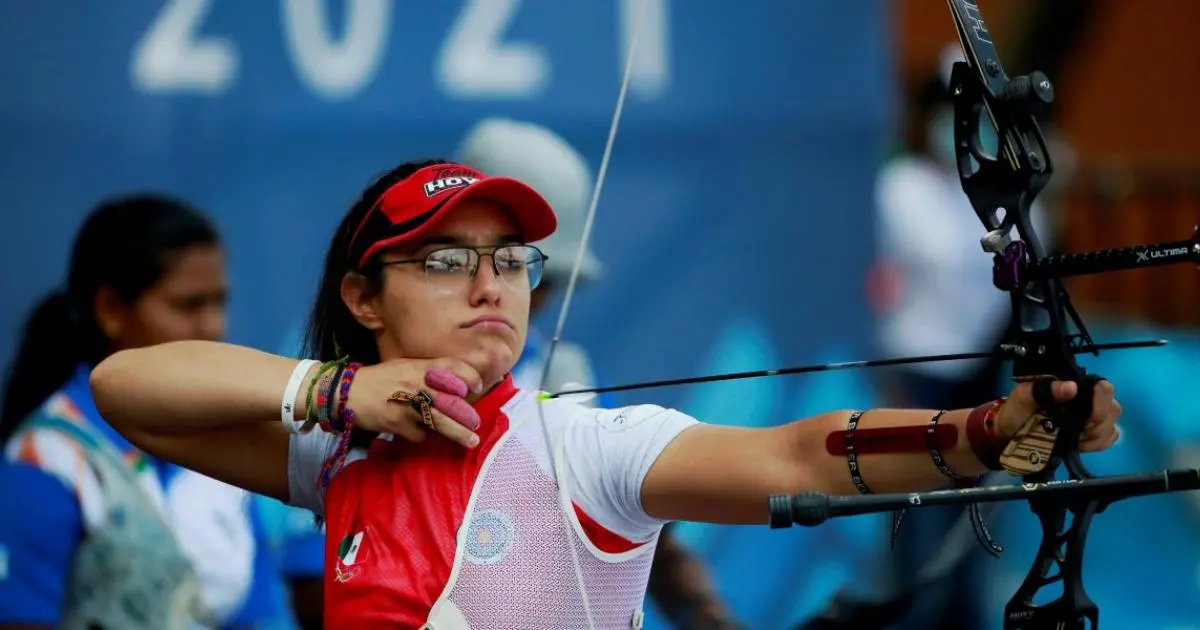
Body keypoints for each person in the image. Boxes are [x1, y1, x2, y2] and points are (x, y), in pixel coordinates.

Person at [88, 158, 1122, 629]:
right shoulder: (338, 454)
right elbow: (127, 391)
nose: (492, 284)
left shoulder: (583, 445)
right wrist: (337, 393)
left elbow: (793, 456)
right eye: (447, 260)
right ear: (364, 295)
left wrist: (989, 429)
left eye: (511, 261)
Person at [456, 118, 739, 628]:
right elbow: (321, 589)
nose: (527, 297)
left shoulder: (569, 379)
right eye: (507, 264)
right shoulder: (368, 391)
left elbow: (647, 528)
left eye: (543, 276)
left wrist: (710, 617)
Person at [0, 195, 284, 629]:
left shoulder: (227, 443)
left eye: (219, 303)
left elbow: (259, 616)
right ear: (111, 309)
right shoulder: (50, 458)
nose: (214, 327)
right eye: (189, 306)